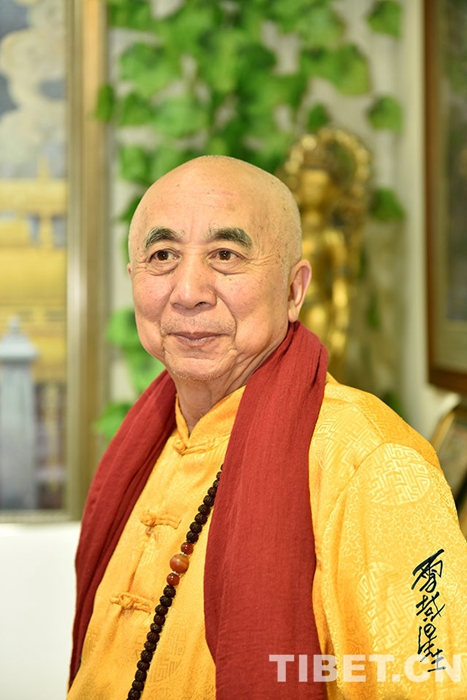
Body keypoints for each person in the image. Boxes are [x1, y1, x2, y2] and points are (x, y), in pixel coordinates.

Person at [67, 155, 467, 700]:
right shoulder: (147, 445)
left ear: (294, 290)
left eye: (225, 255)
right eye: (162, 256)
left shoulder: (370, 461)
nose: (188, 290)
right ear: (134, 280)